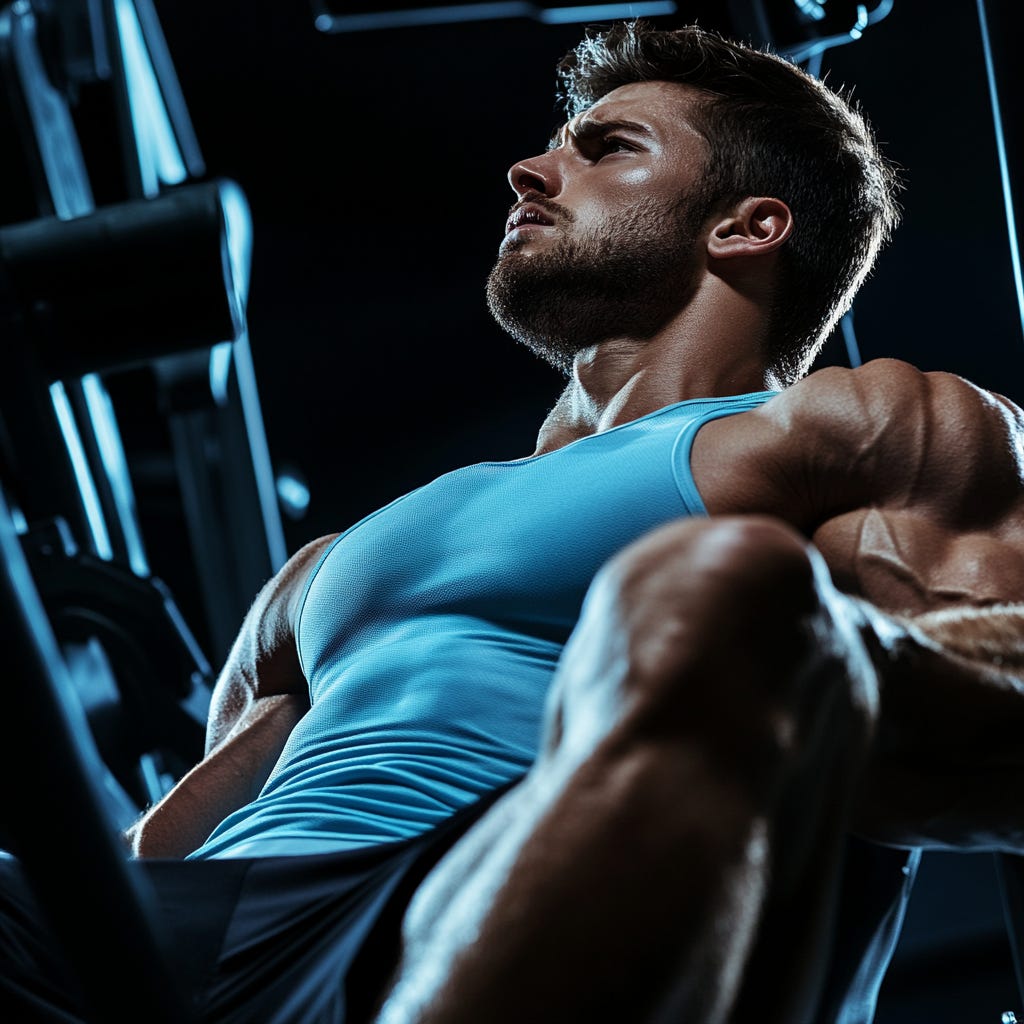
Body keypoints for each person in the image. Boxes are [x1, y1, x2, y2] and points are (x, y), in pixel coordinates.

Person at [5, 16, 1024, 1024]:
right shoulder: (333, 561)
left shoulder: (849, 426)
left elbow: (998, 691)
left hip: (500, 900)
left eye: (607, 148)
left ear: (747, 226)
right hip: (189, 923)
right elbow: (162, 843)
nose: (529, 172)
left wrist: (768, 673)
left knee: (724, 593)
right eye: (551, 145)